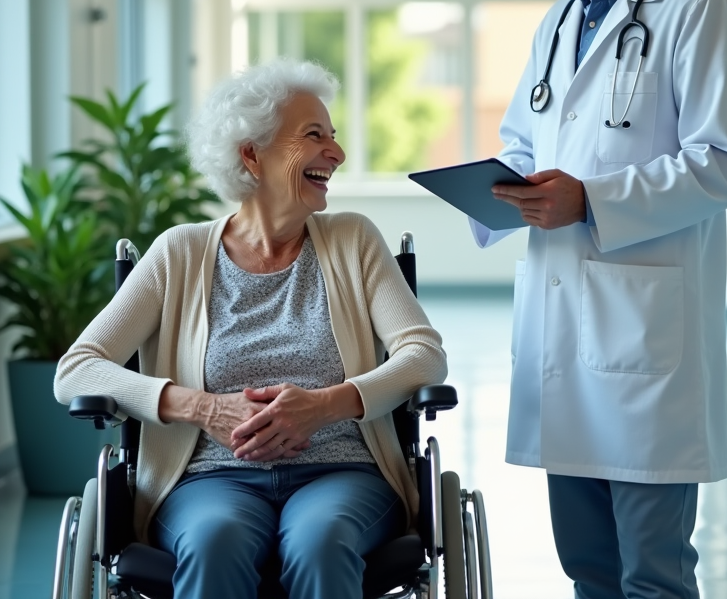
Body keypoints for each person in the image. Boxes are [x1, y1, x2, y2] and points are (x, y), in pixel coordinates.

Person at [470, 0, 727, 599]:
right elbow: (525, 137)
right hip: (564, 341)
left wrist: (592, 202)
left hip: (645, 346)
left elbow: (723, 165)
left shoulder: (699, 10)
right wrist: (504, 187)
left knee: (653, 573)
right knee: (588, 569)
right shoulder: (561, 22)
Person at [54, 59, 448, 599]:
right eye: (314, 136)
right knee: (216, 542)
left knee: (322, 542)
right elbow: (75, 372)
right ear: (251, 154)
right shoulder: (180, 253)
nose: (336, 152)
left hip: (342, 474)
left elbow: (423, 355)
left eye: (333, 136)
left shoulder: (353, 240)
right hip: (208, 480)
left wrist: (325, 404)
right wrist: (201, 407)